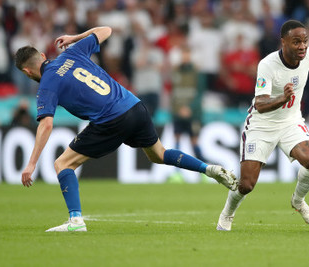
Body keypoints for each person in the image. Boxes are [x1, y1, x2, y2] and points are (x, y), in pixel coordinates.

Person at [15, 26, 238, 232]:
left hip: (110, 119)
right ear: (43, 56)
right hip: (134, 106)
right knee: (159, 154)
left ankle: (75, 221)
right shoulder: (71, 54)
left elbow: (46, 123)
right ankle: (208, 169)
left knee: (62, 163)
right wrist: (75, 38)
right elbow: (106, 30)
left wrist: (32, 163)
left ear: (27, 71)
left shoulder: (47, 85)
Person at [216, 20, 309, 231]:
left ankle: (298, 201)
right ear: (283, 42)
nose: (302, 46)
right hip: (261, 125)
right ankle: (227, 213)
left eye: (305, 41)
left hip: (290, 121)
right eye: (296, 42)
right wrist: (282, 98)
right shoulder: (267, 65)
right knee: (246, 185)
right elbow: (260, 104)